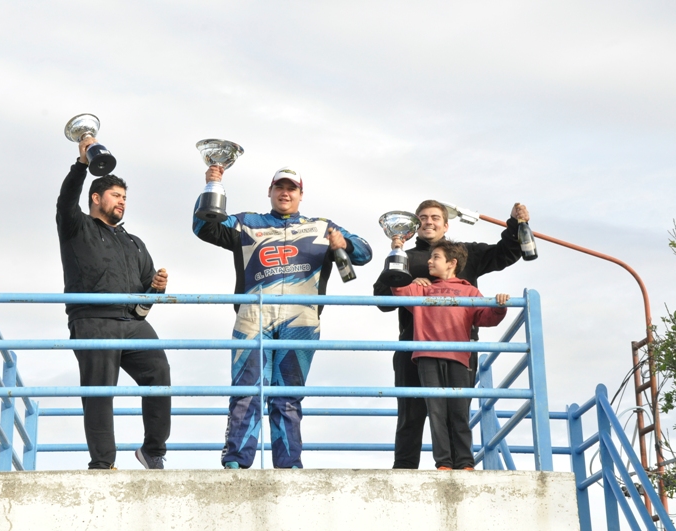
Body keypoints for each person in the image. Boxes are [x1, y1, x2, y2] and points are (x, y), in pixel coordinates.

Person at [193, 166, 373, 469]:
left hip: (301, 321)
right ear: (270, 191)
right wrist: (213, 184)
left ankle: (289, 466)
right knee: (247, 391)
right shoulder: (248, 223)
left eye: (291, 188)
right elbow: (204, 228)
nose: (285, 193)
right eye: (279, 187)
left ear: (301, 195)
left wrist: (345, 244)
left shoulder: (321, 226)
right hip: (253, 317)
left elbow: (364, 253)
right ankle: (236, 463)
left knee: (287, 398)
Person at [373, 199, 530, 469]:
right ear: (414, 224)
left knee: (457, 408)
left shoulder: (467, 253)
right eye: (422, 217)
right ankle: (405, 469)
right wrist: (405, 279)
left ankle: (461, 464)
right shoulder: (405, 258)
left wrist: (516, 223)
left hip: (460, 347)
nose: (428, 221)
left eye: (435, 217)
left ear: (446, 224)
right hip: (414, 347)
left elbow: (507, 253)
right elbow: (382, 300)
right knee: (411, 412)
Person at [56, 136, 171, 470]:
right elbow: (65, 201)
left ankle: (153, 450)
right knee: (100, 391)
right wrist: (82, 164)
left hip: (133, 323)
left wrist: (156, 289)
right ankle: (103, 464)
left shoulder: (135, 242)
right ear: (96, 198)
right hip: (92, 320)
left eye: (124, 197)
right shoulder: (77, 226)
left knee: (159, 374)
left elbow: (144, 301)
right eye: (115, 196)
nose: (121, 202)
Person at [391, 240, 509, 470]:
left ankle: (465, 461)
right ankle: (443, 462)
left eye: (435, 257)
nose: (429, 261)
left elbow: (486, 317)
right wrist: (400, 258)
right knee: (436, 409)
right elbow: (397, 289)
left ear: (451, 263)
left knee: (458, 410)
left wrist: (499, 306)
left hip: (459, 356)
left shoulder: (469, 290)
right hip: (426, 357)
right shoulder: (422, 288)